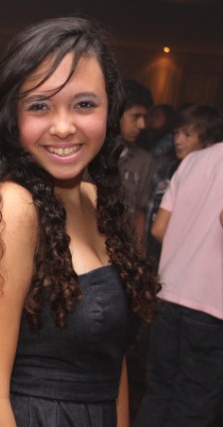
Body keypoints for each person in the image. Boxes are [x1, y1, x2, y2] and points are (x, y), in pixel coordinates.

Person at [0, 17, 159, 426]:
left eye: (84, 104)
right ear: (13, 116)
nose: (64, 127)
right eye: (39, 106)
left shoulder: (96, 200)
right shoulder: (13, 208)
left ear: (110, 109)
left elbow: (112, 361)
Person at [134, 141, 223, 427]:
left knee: (158, 392)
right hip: (212, 304)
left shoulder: (195, 160)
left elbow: (159, 228)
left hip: (170, 292)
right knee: (194, 404)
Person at [144, 104, 223, 267]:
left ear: (208, 141)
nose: (178, 140)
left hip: (181, 264)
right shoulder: (164, 170)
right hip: (153, 257)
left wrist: (182, 253)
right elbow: (150, 220)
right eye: (176, 133)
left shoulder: (210, 179)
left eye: (187, 135)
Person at [118, 79, 155, 248]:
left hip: (122, 247)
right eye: (135, 117)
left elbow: (139, 212)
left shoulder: (144, 161)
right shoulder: (90, 154)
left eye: (144, 117)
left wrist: (139, 252)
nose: (142, 125)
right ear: (116, 114)